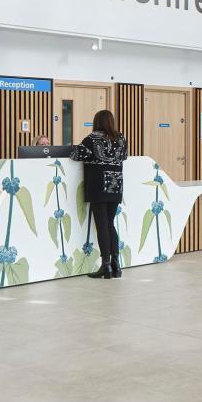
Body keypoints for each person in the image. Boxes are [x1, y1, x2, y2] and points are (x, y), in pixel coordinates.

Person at [70, 110, 129, 279]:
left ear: (97, 122)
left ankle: (106, 266)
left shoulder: (92, 138)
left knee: (103, 226)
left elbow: (76, 154)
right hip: (115, 184)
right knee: (110, 224)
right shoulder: (121, 138)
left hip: (98, 185)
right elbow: (124, 157)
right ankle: (116, 265)